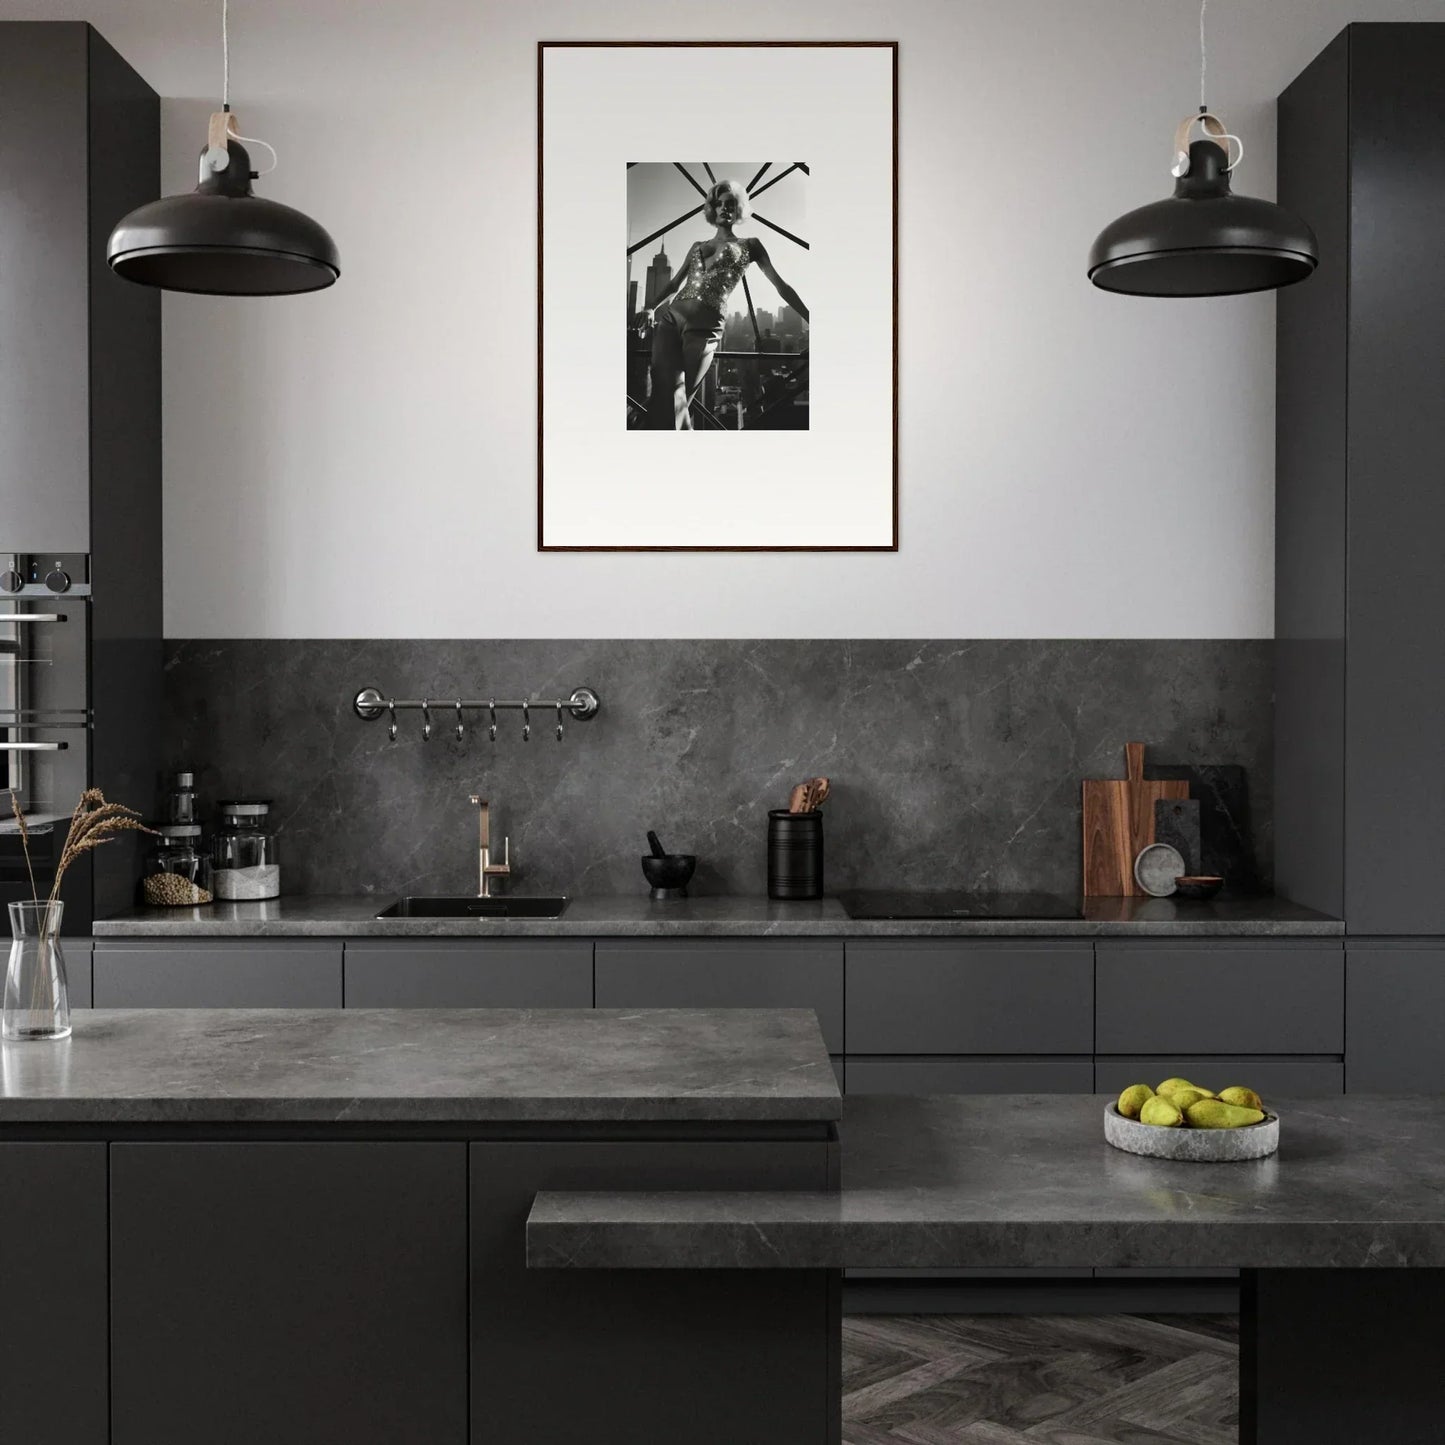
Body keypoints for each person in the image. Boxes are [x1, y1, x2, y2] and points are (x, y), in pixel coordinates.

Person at [641, 178, 808, 430]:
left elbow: (780, 286)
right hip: (671, 319)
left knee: (678, 399)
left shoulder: (750, 245)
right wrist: (651, 307)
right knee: (662, 396)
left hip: (705, 326)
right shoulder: (698, 246)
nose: (723, 208)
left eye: (729, 203)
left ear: (738, 208)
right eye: (717, 204)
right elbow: (675, 283)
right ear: (711, 209)